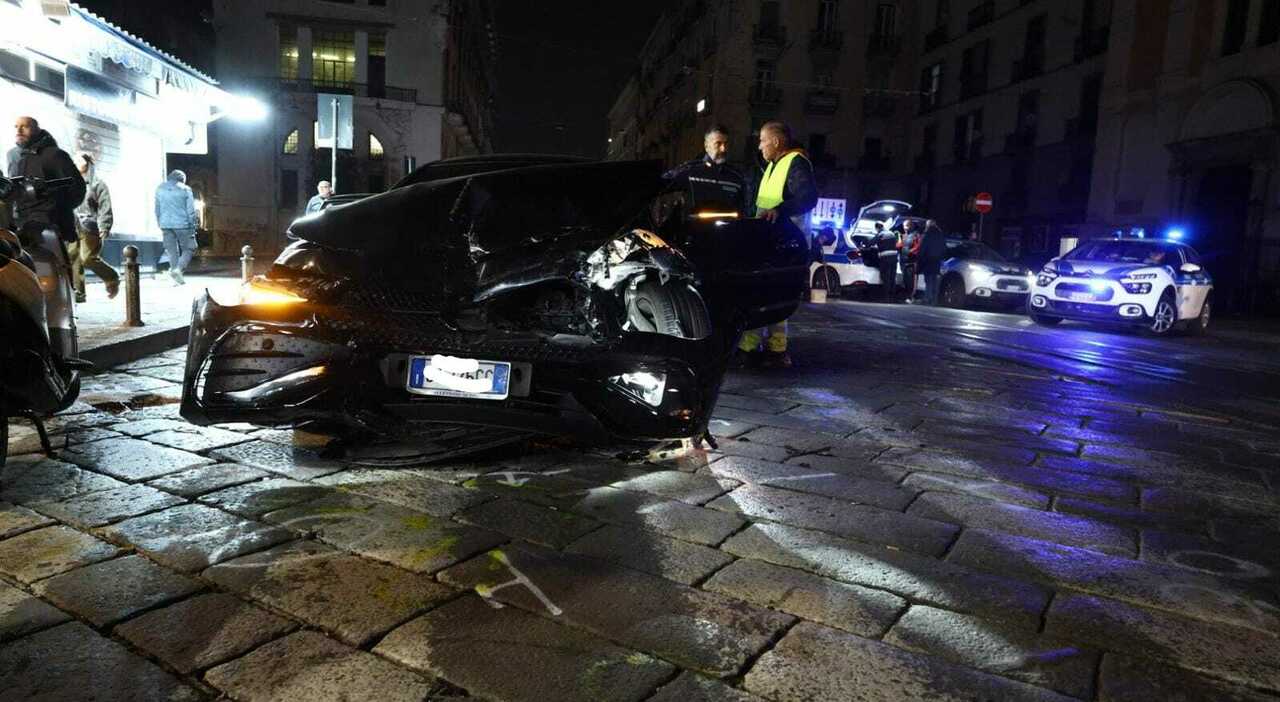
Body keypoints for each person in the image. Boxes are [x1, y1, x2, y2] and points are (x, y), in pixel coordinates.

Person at [737, 121, 817, 369]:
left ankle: (775, 350)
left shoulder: (796, 162)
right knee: (759, 294)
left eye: (762, 140)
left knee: (773, 295)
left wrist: (779, 210)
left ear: (776, 141)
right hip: (769, 242)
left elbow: (807, 198)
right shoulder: (774, 166)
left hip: (784, 245)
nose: (759, 146)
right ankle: (751, 348)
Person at [5, 116, 85, 245]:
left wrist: (57, 209)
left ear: (37, 129)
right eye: (16, 127)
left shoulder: (55, 155)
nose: (19, 130)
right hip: (20, 225)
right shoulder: (12, 155)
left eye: (25, 126)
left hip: (52, 228)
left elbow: (78, 189)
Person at [68, 153, 120, 302]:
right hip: (72, 224)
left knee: (87, 258)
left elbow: (105, 206)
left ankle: (112, 276)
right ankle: (78, 292)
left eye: (79, 159)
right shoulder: (70, 182)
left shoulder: (97, 184)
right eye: (74, 159)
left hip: (90, 226)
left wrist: (105, 226)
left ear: (88, 163)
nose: (76, 162)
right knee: (73, 258)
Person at [662, 126, 747, 214]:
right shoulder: (690, 171)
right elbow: (660, 186)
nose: (723, 149)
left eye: (726, 144)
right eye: (718, 144)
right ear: (706, 146)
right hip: (694, 222)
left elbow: (743, 211)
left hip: (728, 222)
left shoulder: (737, 177)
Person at [154, 169, 198, 285]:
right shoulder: (185, 189)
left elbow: (157, 208)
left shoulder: (160, 188)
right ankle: (178, 269)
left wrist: (159, 222)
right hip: (182, 224)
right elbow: (191, 211)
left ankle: (176, 278)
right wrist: (193, 226)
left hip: (165, 224)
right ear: (182, 179)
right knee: (190, 248)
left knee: (172, 251)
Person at [919, 219, 948, 305]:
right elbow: (944, 248)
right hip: (937, 260)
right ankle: (934, 300)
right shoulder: (940, 235)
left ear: (928, 225)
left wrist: (921, 258)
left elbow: (923, 248)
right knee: (935, 280)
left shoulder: (927, 234)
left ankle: (927, 298)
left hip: (928, 260)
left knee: (928, 280)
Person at [875, 221, 899, 302]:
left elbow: (871, 242)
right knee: (892, 277)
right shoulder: (891, 233)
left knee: (885, 277)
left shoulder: (880, 234)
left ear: (877, 228)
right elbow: (895, 243)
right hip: (894, 258)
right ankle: (893, 297)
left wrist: (864, 245)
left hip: (885, 259)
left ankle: (886, 297)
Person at [899, 218, 922, 303]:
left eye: (906, 226)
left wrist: (911, 251)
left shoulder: (916, 235)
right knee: (905, 280)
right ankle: (907, 296)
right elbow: (900, 245)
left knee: (910, 280)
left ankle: (911, 297)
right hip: (903, 260)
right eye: (904, 226)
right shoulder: (904, 235)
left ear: (911, 226)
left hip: (911, 261)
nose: (904, 228)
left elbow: (918, 246)